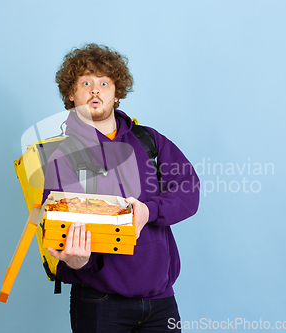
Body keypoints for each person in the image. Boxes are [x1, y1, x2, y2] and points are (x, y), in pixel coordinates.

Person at [42, 43, 200, 333]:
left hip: (161, 301)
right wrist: (77, 261)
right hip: (99, 304)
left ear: (116, 93)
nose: (95, 90)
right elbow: (56, 227)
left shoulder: (149, 141)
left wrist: (148, 212)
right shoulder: (62, 158)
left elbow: (188, 190)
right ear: (71, 93)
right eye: (85, 82)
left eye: (104, 82)